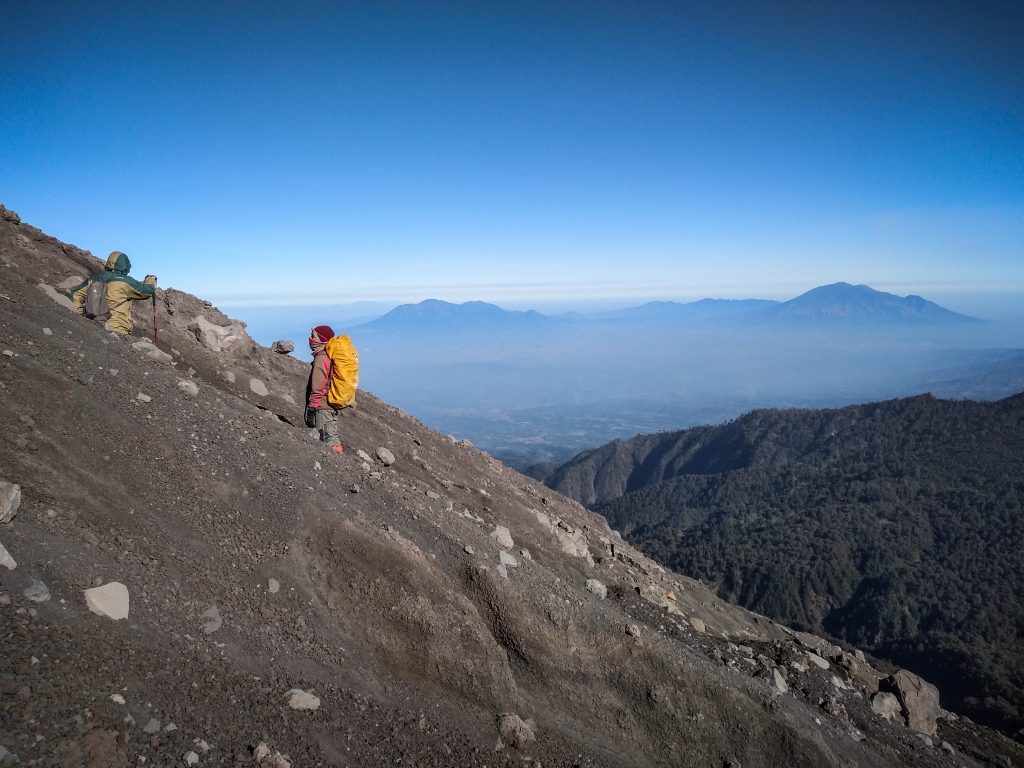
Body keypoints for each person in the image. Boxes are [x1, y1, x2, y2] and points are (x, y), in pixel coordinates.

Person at [70, 251, 157, 336]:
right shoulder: (125, 281)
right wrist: (151, 279)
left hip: (93, 326)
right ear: (125, 266)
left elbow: (75, 296)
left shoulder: (94, 278)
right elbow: (147, 291)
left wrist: (80, 317)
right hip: (117, 329)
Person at [306, 325, 344, 453]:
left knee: (328, 441)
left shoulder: (322, 358)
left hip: (323, 407)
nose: (310, 339)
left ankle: (338, 468)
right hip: (330, 405)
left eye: (313, 336)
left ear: (322, 340)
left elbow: (318, 387)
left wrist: (311, 408)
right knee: (329, 437)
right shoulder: (330, 355)